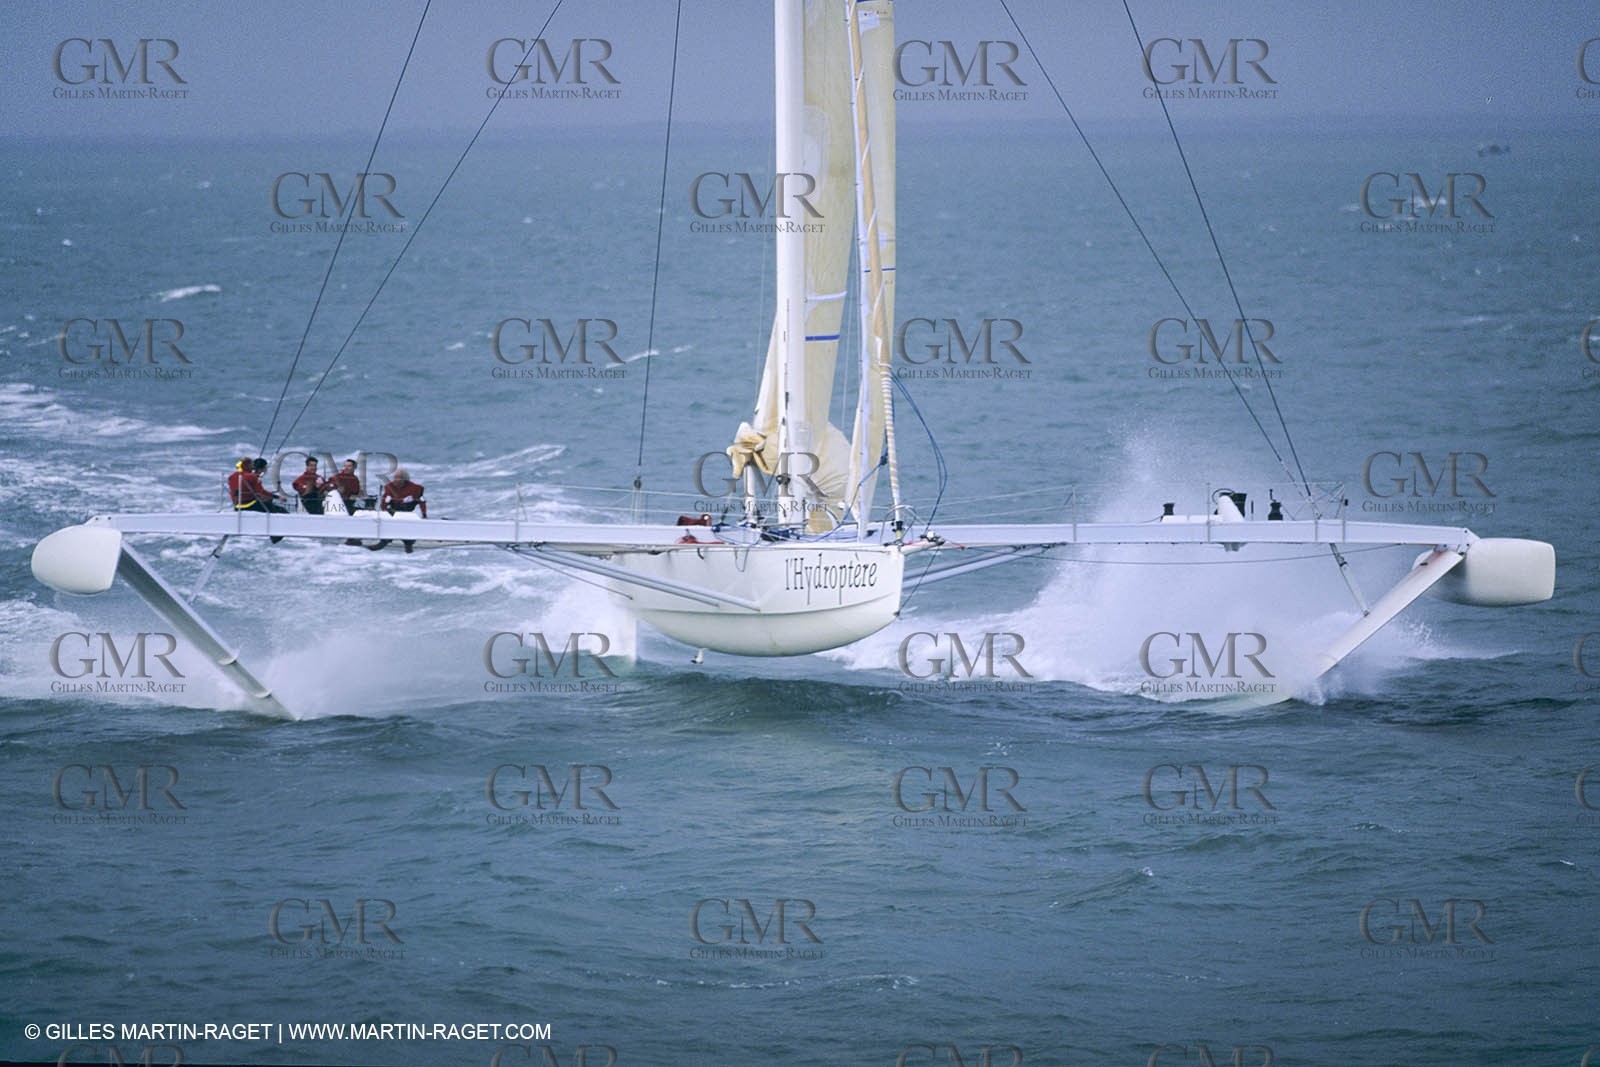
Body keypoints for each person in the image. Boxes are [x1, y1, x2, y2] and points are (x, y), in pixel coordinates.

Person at [370, 468, 426, 553]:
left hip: (407, 511)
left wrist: (424, 514)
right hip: (393, 510)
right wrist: (385, 507)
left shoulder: (415, 488)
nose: (396, 480)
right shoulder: (389, 487)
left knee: (405, 525)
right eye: (395, 478)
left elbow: (422, 501)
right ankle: (384, 541)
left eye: (399, 478)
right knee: (390, 523)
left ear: (405, 479)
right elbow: (384, 503)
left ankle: (408, 544)